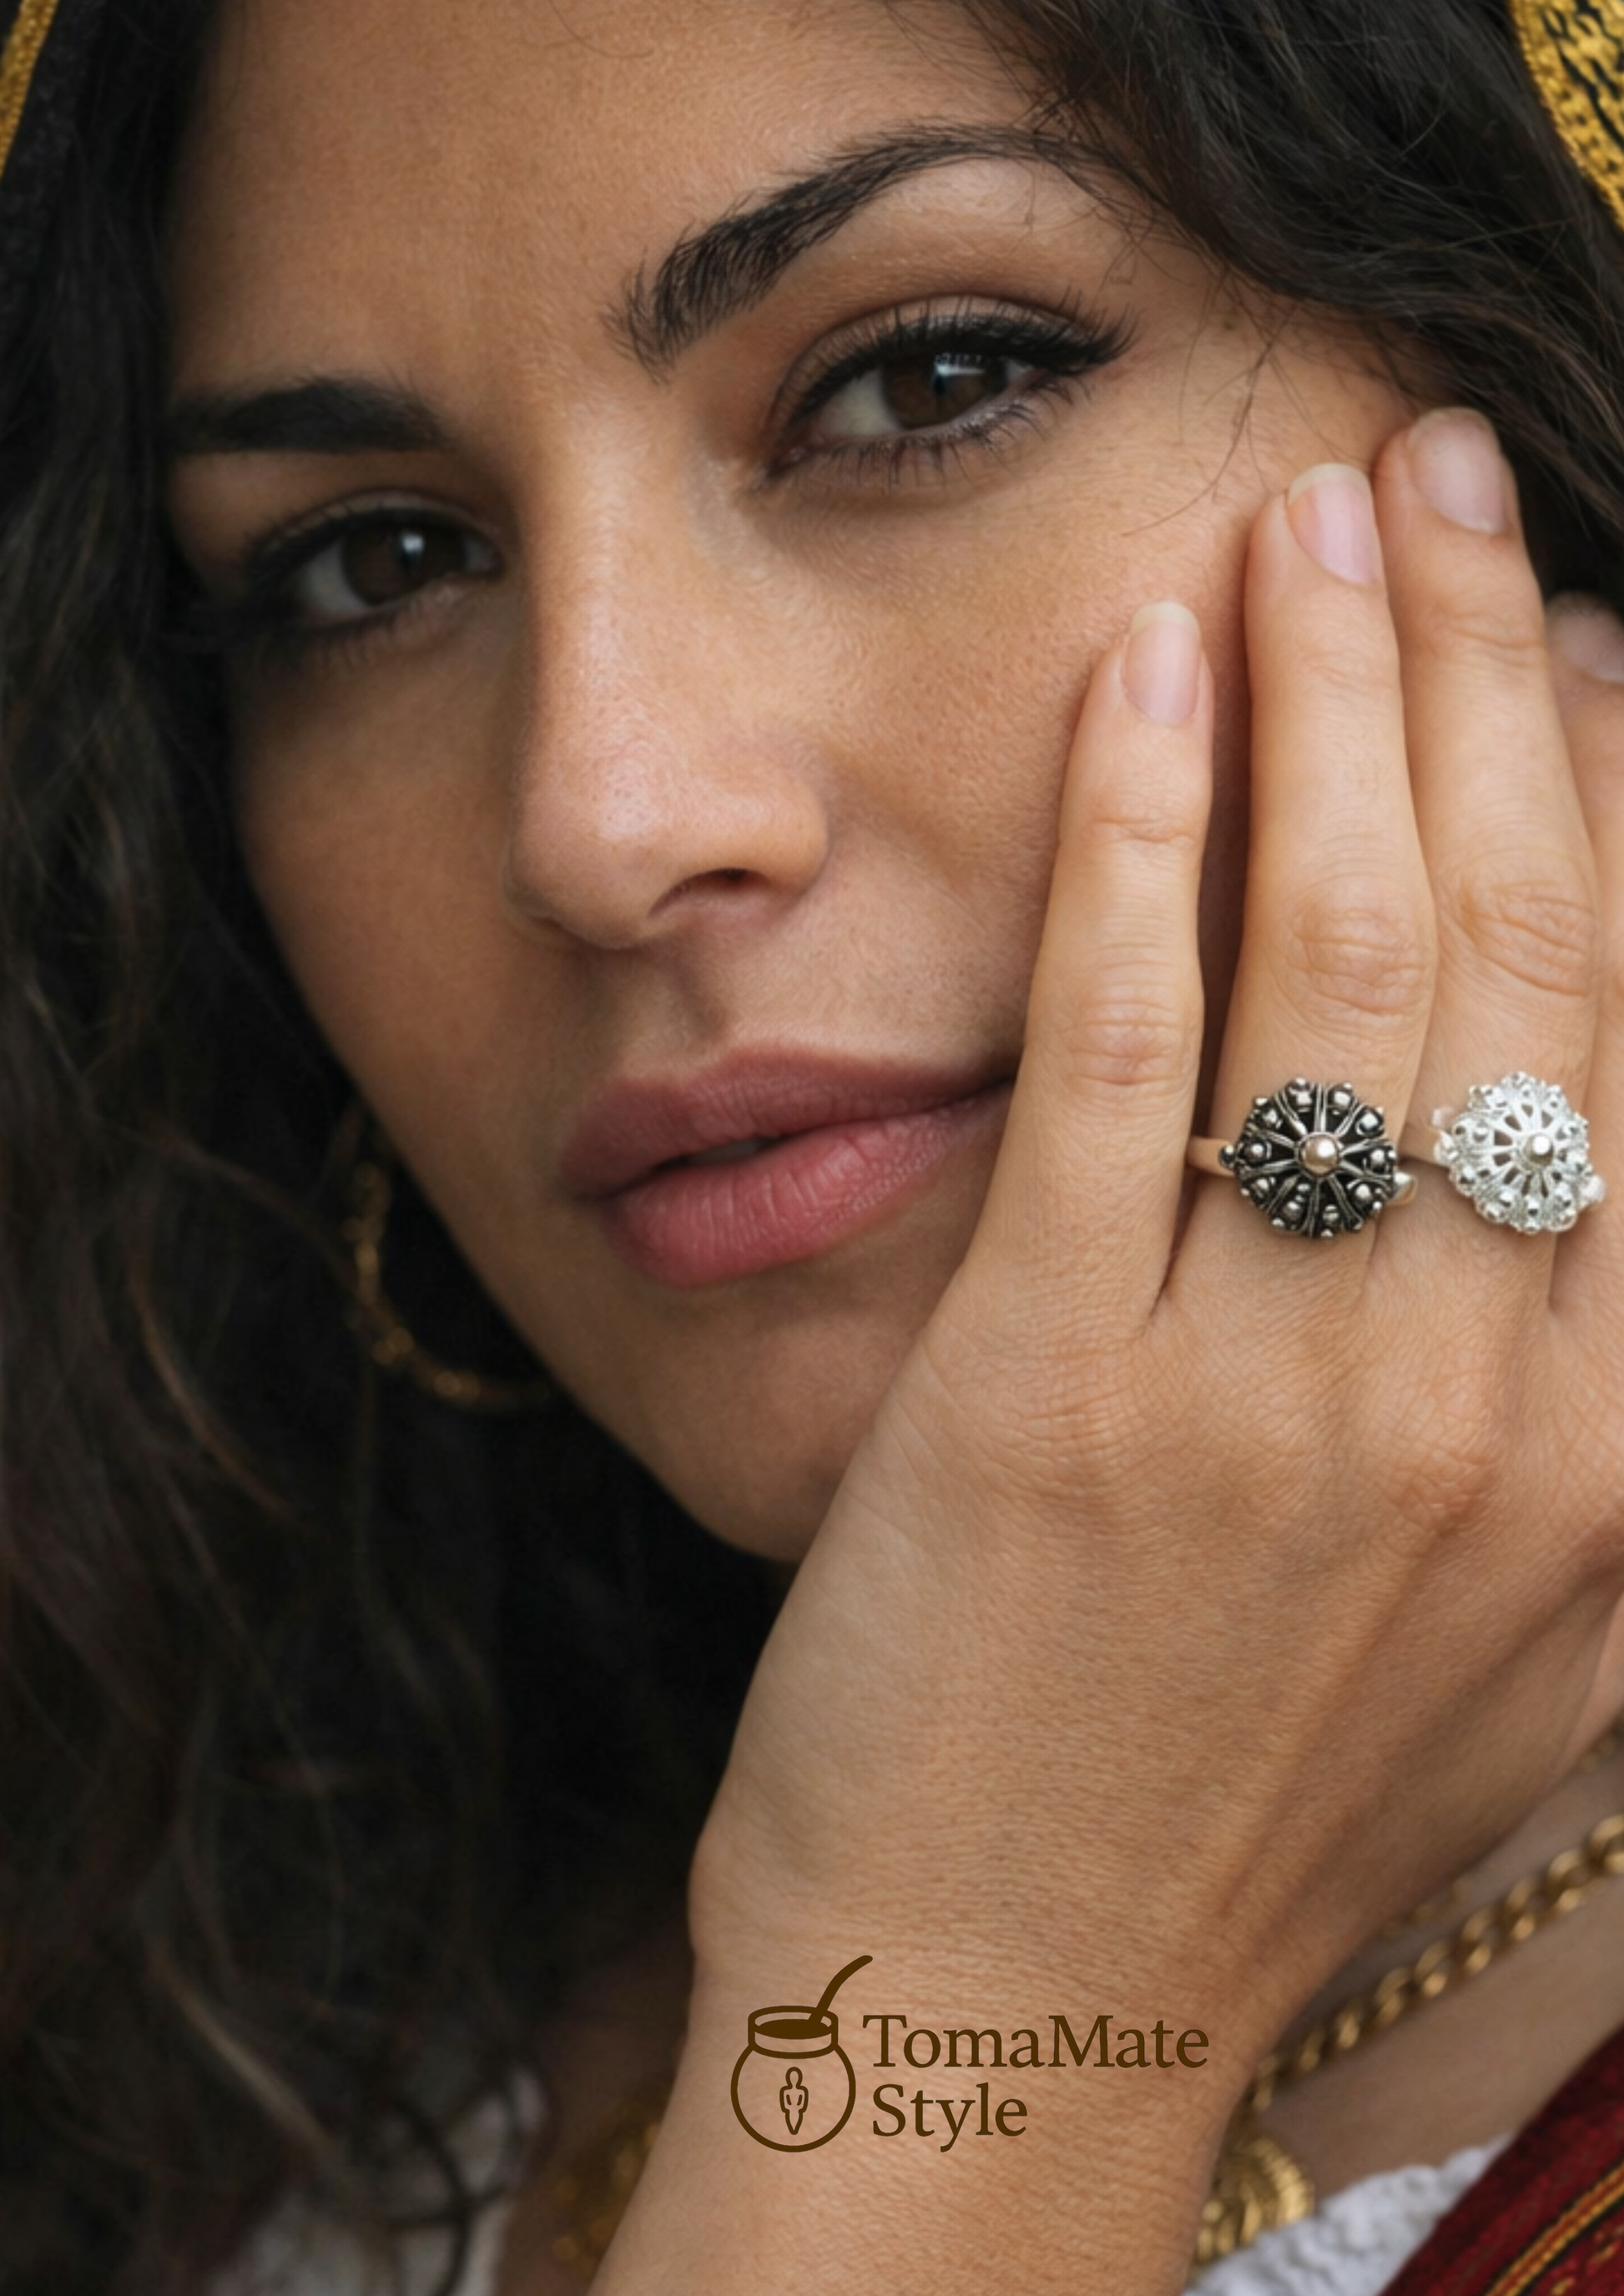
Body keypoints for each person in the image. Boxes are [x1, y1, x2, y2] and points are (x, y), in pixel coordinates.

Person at [6, 0, 1624, 2289]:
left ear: (1552, 413)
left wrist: (989, 1997)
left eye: (925, 384)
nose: (595, 819)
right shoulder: (180, 1971)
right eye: (372, 562)